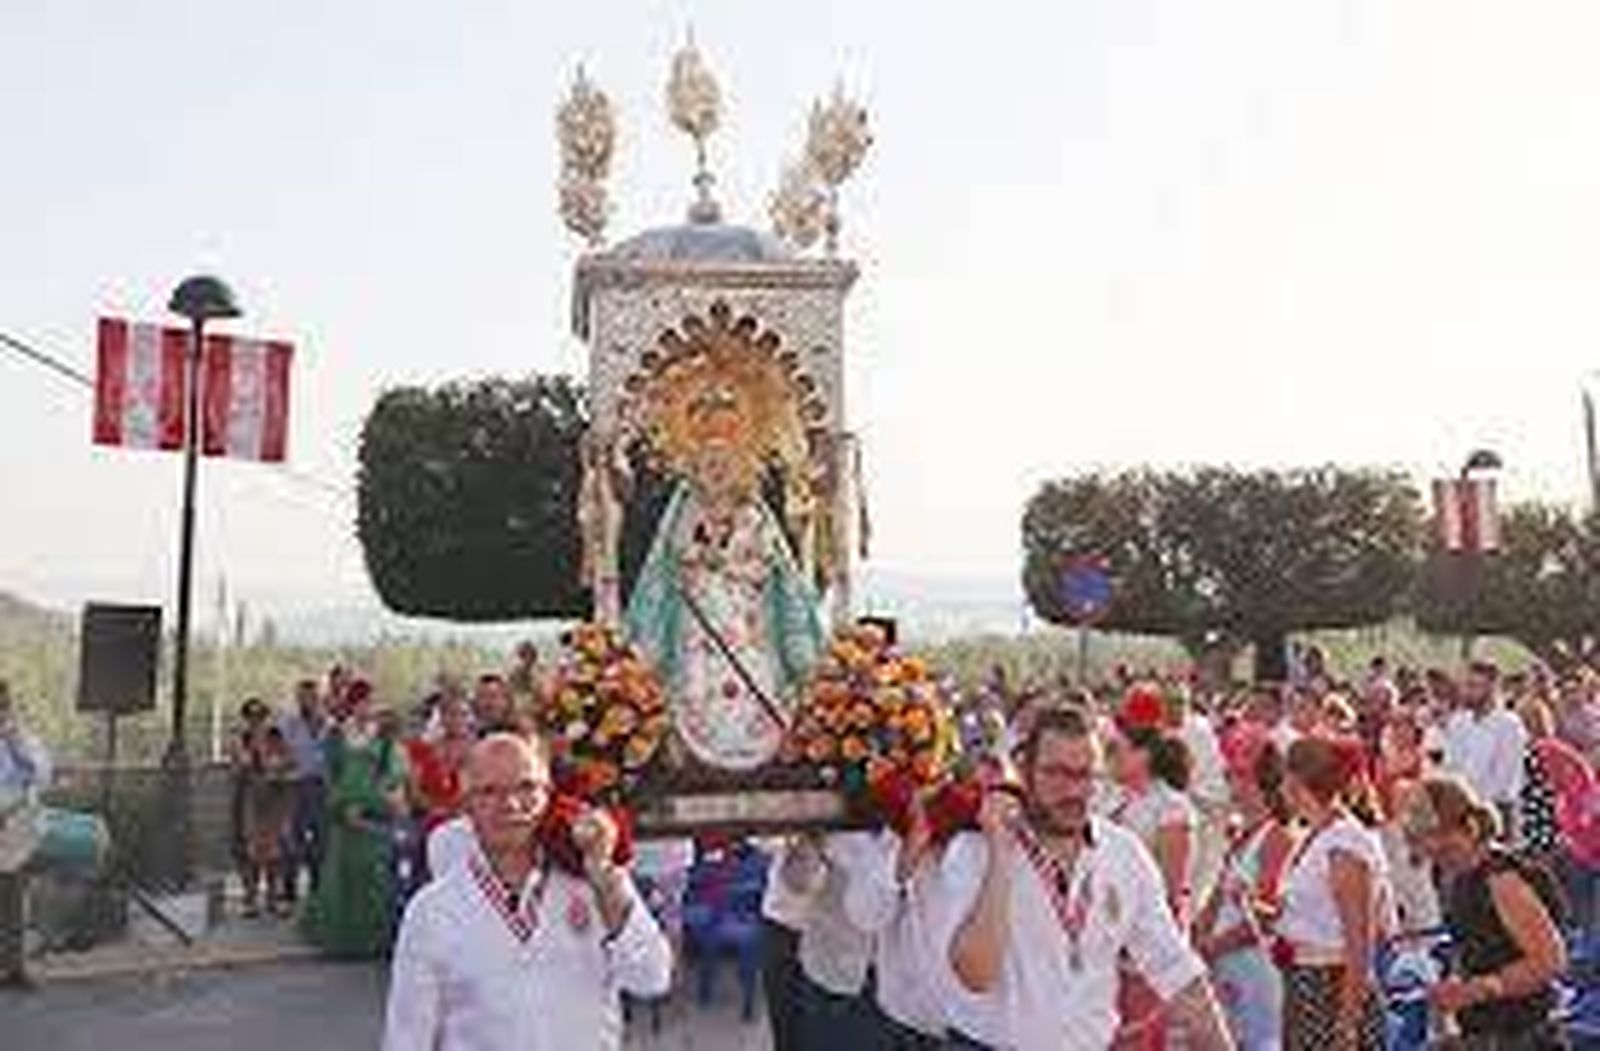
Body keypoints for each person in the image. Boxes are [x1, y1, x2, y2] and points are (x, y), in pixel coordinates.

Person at [934, 705, 1234, 1051]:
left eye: (1085, 775)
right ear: (1023, 770)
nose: (1074, 791)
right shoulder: (974, 849)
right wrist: (1001, 857)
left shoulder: (1123, 853)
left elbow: (1175, 968)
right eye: (1057, 773)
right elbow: (975, 973)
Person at [381, 734, 671, 1050]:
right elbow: (407, 1036)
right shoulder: (432, 910)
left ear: (548, 794)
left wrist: (606, 884)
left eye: (526, 787)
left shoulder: (594, 881)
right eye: (489, 792)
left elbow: (652, 977)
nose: (511, 805)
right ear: (465, 803)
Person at [1400, 775, 1570, 1049]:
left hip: (1523, 1034)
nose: (1434, 854)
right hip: (1483, 1029)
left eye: (1441, 844)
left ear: (1467, 828)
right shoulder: (1449, 875)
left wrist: (1479, 989)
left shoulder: (1501, 880)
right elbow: (1475, 947)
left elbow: (1550, 960)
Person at [1274, 735, 1397, 1050]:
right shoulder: (1315, 834)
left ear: (1296, 781)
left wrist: (1348, 1022)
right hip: (1306, 981)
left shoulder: (1345, 844)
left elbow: (1360, 940)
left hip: (1332, 984)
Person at [1195, 726, 1294, 1051]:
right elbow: (1217, 898)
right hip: (1227, 965)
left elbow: (1266, 916)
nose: (1230, 784)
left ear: (1260, 782)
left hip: (1257, 970)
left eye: (1238, 776)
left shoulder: (1277, 837)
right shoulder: (1241, 835)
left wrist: (1212, 946)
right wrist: (1197, 938)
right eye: (1229, 775)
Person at [1107, 703, 1200, 1050]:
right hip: (1115, 940)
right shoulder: (1119, 802)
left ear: (1143, 756)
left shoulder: (1172, 808)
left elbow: (1170, 890)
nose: (1110, 758)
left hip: (1147, 944)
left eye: (1117, 751)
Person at [304, 679, 409, 958]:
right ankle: (345, 942)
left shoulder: (384, 737)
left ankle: (376, 941)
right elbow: (331, 773)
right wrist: (341, 805)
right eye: (361, 702)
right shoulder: (338, 735)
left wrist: (384, 801)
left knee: (377, 877)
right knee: (344, 876)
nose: (367, 708)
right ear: (352, 704)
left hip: (377, 816)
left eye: (370, 702)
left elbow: (396, 772)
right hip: (346, 815)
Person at [842, 811, 948, 1049]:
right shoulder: (897, 834)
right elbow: (864, 916)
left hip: (985, 1030)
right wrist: (905, 856)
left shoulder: (1009, 833)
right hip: (908, 1023)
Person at [0, 681, 51, 989]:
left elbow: (40, 774)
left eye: (4, 705)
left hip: (15, 829)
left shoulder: (21, 739)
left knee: (14, 901)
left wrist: (15, 745)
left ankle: (14, 967)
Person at [1443, 663, 1528, 839]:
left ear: (1492, 688)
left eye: (1474, 686)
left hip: (1497, 810)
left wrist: (1474, 803)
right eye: (1466, 685)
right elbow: (1450, 766)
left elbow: (1504, 778)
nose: (1467, 691)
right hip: (1460, 808)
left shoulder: (1509, 725)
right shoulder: (1458, 722)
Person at [230, 698, 296, 918]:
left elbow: (289, 761)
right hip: (250, 798)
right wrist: (247, 761)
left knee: (274, 850)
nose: (256, 722)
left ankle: (272, 898)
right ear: (246, 719)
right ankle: (250, 899)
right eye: (252, 718)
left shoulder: (276, 736)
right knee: (251, 851)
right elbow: (239, 766)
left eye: (260, 717)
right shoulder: (241, 739)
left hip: (274, 799)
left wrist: (276, 767)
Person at [277, 678, 328, 905]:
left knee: (320, 841)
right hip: (295, 786)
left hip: (321, 787)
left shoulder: (329, 724)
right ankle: (289, 890)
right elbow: (279, 753)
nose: (308, 701)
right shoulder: (288, 724)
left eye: (312, 697)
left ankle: (318, 890)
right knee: (291, 840)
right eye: (303, 697)